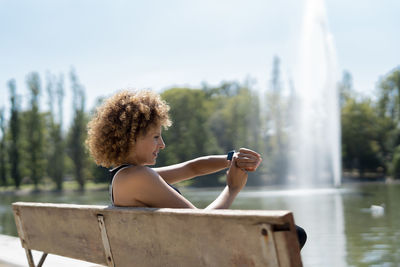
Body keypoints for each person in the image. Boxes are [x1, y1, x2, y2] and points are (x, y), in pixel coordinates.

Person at [86, 89, 306, 248]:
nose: (162, 144)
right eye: (155, 137)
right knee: (291, 235)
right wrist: (232, 189)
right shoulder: (139, 177)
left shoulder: (125, 177)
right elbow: (202, 225)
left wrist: (232, 158)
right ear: (131, 138)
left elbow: (192, 168)